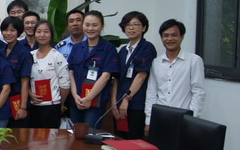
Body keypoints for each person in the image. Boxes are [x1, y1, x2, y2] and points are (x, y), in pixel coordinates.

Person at [144, 19, 205, 132]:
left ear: (182, 37)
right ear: (161, 38)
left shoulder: (194, 60)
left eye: (174, 35)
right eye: (166, 35)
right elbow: (151, 93)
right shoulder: (156, 62)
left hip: (183, 119)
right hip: (160, 118)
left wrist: (192, 120)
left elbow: (198, 92)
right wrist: (149, 120)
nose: (170, 39)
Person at [68, 10, 119, 128]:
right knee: (74, 133)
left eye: (94, 25)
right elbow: (70, 72)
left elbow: (106, 76)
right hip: (76, 100)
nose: (90, 28)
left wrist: (89, 98)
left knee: (89, 134)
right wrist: (75, 95)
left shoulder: (109, 48)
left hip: (96, 101)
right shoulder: (77, 47)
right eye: (87, 25)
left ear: (102, 26)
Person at [110, 11, 157, 139]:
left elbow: (141, 75)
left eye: (136, 24)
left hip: (136, 104)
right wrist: (114, 101)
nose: (131, 28)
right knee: (119, 139)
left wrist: (126, 99)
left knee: (133, 140)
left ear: (144, 28)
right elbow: (116, 78)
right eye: (128, 25)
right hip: (119, 104)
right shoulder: (123, 51)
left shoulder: (146, 47)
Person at [28, 20, 70, 128]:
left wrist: (60, 103)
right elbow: (23, 80)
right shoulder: (30, 55)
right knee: (33, 137)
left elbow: (65, 85)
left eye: (46, 31)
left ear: (51, 34)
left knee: (50, 137)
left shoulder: (57, 56)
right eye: (39, 31)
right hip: (33, 106)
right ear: (34, 34)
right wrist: (30, 94)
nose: (42, 35)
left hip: (52, 106)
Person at [0, 16, 32, 127]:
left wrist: (23, 107)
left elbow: (25, 82)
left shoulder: (24, 53)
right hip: (1, 100)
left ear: (18, 32)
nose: (8, 33)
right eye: (5, 30)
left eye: (12, 30)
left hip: (16, 100)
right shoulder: (0, 51)